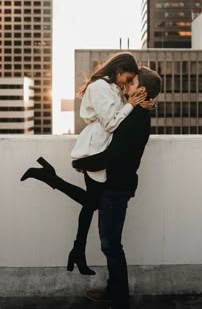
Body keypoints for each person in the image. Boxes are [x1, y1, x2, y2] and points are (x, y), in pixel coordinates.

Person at [20, 52, 146, 276]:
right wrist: (130, 105)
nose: (127, 82)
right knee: (92, 202)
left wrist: (135, 101)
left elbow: (116, 118)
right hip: (95, 147)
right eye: (127, 78)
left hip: (100, 147)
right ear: (118, 71)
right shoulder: (99, 87)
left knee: (90, 203)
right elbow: (109, 123)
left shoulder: (113, 88)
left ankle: (77, 251)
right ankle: (50, 178)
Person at [71, 66, 162, 309]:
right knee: (110, 241)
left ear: (141, 90)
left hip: (116, 188)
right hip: (114, 184)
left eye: (131, 82)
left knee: (110, 243)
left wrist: (80, 162)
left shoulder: (136, 119)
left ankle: (119, 296)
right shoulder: (135, 112)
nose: (126, 86)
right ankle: (115, 290)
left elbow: (113, 155)